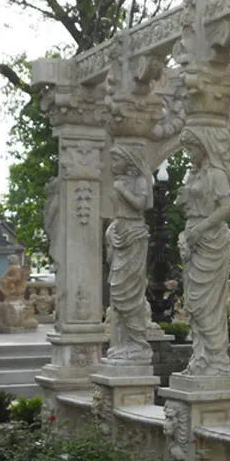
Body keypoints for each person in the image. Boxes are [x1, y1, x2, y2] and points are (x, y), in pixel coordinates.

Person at [176, 125, 230, 375]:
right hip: (192, 239)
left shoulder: (217, 175)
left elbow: (226, 208)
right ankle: (200, 357)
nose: (189, 154)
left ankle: (215, 361)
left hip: (210, 238)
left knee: (208, 304)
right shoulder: (193, 175)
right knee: (193, 302)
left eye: (192, 148)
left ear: (204, 147)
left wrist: (200, 229)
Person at [105, 144, 153, 362]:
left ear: (129, 161)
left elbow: (143, 204)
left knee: (131, 292)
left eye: (117, 160)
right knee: (117, 290)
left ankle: (137, 344)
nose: (113, 165)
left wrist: (122, 190)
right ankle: (124, 342)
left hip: (134, 234)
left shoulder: (139, 181)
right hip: (120, 233)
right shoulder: (118, 182)